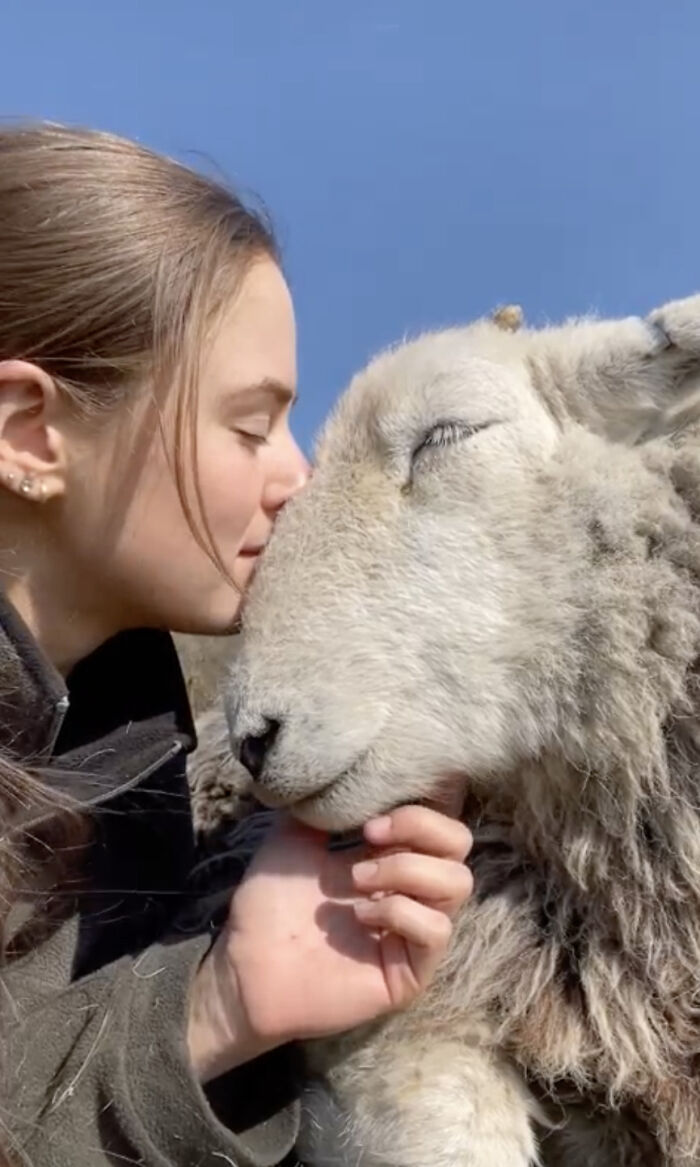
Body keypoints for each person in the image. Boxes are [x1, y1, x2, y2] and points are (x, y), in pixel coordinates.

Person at [0, 123, 474, 1167]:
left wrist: (242, 989)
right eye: (249, 426)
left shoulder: (124, 757)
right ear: (30, 431)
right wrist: (210, 1012)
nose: (294, 478)